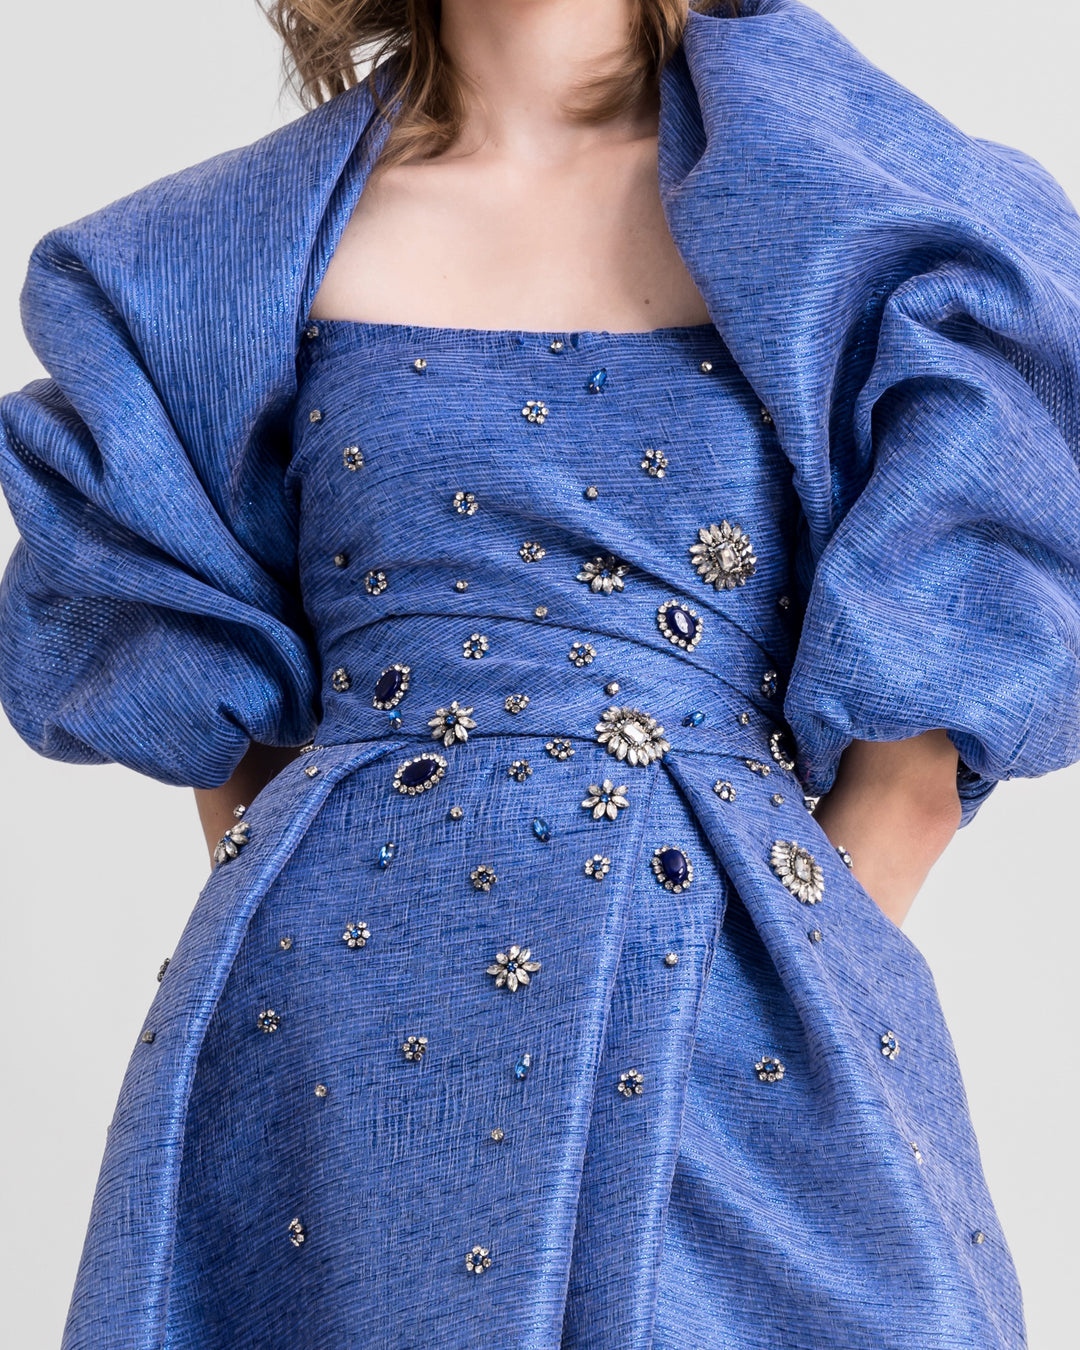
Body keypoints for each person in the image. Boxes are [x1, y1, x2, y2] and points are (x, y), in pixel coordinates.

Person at [2, 0, 1079, 1345]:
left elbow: (918, 753)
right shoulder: (219, 260)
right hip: (337, 1056)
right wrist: (340, 972)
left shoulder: (857, 211)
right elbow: (220, 723)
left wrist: (778, 987)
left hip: (744, 1029)